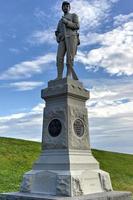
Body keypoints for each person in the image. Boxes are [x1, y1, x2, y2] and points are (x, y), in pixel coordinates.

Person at [55, 1, 80, 80]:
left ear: (69, 7)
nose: (65, 7)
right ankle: (59, 76)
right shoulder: (60, 21)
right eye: (64, 6)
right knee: (59, 58)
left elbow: (77, 26)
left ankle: (69, 74)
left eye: (67, 6)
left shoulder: (73, 16)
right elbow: (58, 31)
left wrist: (67, 22)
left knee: (70, 57)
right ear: (62, 8)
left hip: (71, 37)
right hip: (62, 39)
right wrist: (58, 35)